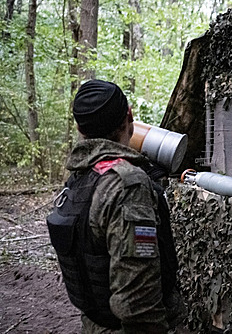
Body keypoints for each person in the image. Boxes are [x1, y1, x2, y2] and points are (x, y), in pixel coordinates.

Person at [46, 79, 186, 333]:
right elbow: (138, 302)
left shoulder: (80, 176)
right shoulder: (127, 185)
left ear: (80, 128)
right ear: (129, 115)